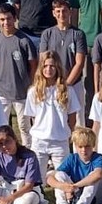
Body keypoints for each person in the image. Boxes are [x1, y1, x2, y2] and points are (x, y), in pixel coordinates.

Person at [24, 52, 81, 181]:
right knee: (36, 180)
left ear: (57, 67)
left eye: (52, 66)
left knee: (63, 177)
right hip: (39, 141)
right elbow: (32, 117)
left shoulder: (67, 90)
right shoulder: (33, 91)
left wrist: (68, 132)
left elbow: (72, 116)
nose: (48, 69)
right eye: (45, 66)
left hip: (60, 140)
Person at [0, 3, 38, 134]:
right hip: (2, 92)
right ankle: (3, 147)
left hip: (22, 91)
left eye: (9, 18)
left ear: (15, 18)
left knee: (24, 126)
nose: (6, 22)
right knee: (1, 126)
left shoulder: (24, 41)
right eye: (2, 19)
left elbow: (33, 65)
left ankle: (28, 147)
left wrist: (31, 86)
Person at [39, 0, 88, 126]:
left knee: (78, 121)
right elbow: (43, 60)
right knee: (55, 119)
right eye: (58, 11)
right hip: (52, 84)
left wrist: (66, 84)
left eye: (64, 11)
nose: (62, 14)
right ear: (53, 13)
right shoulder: (47, 34)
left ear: (70, 12)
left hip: (74, 83)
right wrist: (54, 84)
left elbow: (79, 63)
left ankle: (78, 141)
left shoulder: (78, 34)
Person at [48, 127, 102, 204]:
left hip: (97, 198)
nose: (84, 150)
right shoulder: (72, 158)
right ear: (75, 146)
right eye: (80, 146)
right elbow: (50, 178)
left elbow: (99, 174)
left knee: (93, 177)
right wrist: (64, 187)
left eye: (87, 146)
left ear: (93, 145)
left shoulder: (98, 158)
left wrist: (75, 186)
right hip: (77, 194)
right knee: (59, 175)